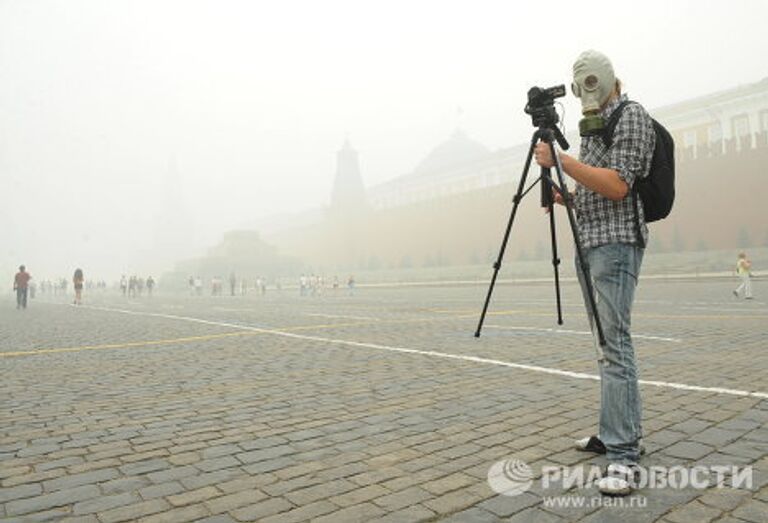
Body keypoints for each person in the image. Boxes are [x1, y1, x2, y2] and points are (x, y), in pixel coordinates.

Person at [534, 50, 655, 496]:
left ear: (606, 80)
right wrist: (563, 194)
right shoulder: (592, 126)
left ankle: (623, 456)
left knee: (615, 344)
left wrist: (563, 162)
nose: (586, 90)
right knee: (606, 347)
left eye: (590, 82)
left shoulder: (631, 116)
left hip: (618, 243)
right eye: (579, 82)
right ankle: (616, 433)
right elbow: (594, 193)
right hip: (591, 242)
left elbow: (619, 186)